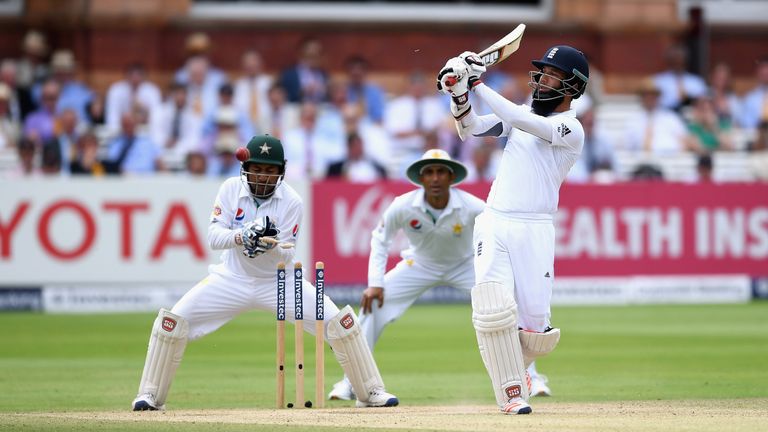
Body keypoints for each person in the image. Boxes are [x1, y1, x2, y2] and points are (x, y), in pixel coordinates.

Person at [132, 135, 398, 411]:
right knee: (172, 323)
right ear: (246, 167)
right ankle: (150, 395)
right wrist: (243, 235)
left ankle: (370, 392)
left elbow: (287, 253)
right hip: (230, 278)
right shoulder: (230, 188)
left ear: (280, 172)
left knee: (341, 324)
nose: (262, 177)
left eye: (270, 171)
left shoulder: (292, 201)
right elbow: (213, 236)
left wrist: (265, 242)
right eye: (257, 169)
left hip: (279, 281)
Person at [436, 45, 589, 414]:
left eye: (551, 75)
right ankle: (511, 393)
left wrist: (478, 83)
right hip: (495, 220)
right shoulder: (518, 115)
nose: (541, 80)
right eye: (541, 73)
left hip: (535, 228)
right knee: (493, 309)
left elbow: (527, 124)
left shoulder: (569, 128)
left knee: (536, 330)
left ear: (572, 87)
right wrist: (459, 94)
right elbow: (470, 127)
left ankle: (517, 372)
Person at [327, 149, 485, 400]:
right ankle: (351, 382)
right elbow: (380, 239)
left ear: (451, 177)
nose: (435, 178)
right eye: (429, 172)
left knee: (503, 305)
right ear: (421, 179)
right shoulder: (402, 205)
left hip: (464, 265)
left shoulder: (473, 206)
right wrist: (375, 283)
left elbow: (495, 235)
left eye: (441, 172)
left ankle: (529, 377)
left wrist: (492, 271)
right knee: (371, 307)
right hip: (419, 264)